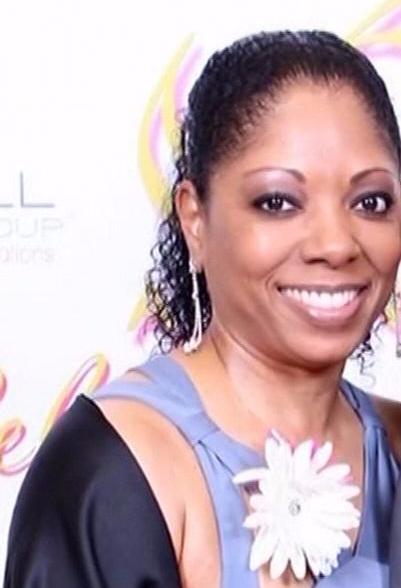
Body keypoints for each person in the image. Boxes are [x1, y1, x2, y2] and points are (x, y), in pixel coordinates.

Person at [4, 30, 401, 588]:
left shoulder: (395, 446)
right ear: (195, 219)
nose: (336, 244)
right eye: (278, 202)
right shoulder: (113, 467)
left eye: (371, 201)